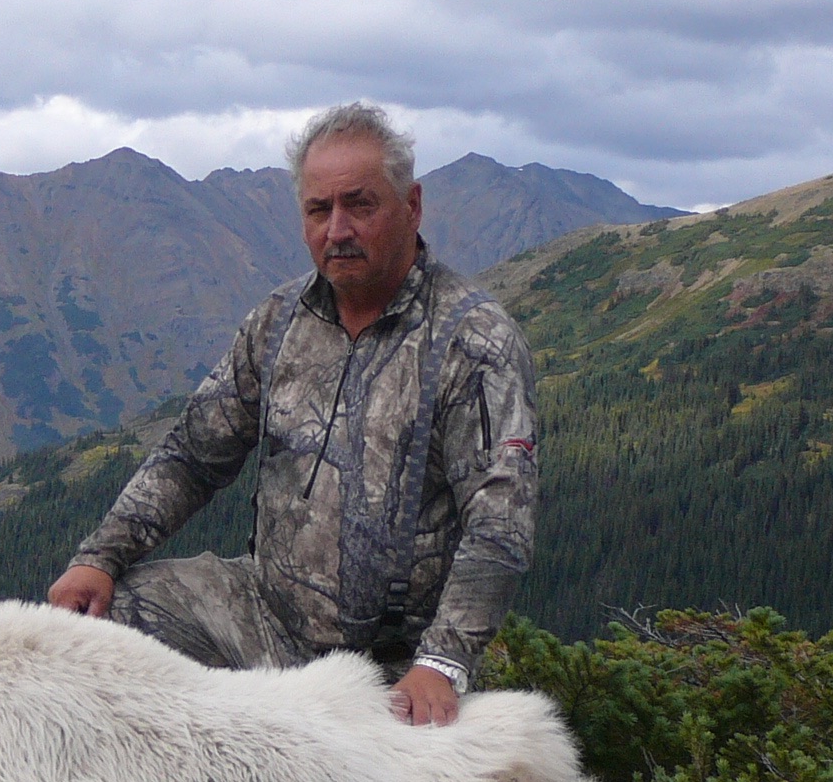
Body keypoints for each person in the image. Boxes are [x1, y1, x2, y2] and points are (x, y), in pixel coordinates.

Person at [47, 102, 537, 726]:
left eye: (360, 205)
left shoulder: (475, 341)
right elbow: (192, 456)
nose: (338, 230)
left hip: (394, 660)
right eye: (318, 210)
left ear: (411, 206)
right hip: (261, 614)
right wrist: (100, 556)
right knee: (102, 620)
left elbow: (499, 523)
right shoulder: (277, 323)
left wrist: (441, 662)